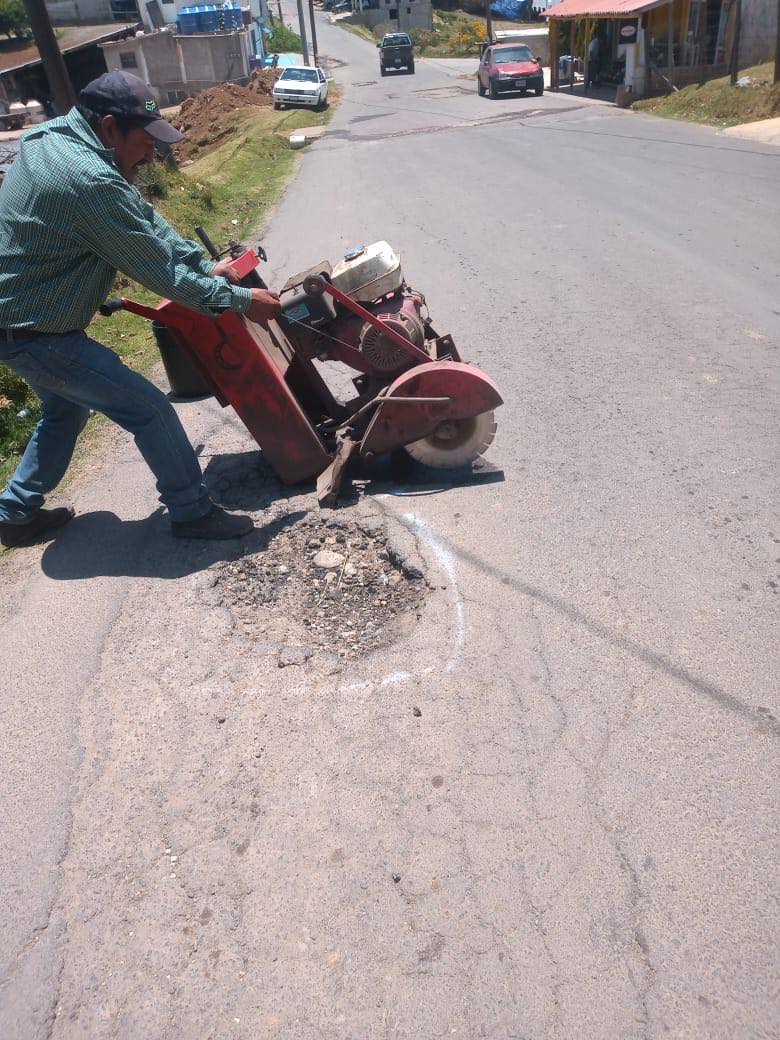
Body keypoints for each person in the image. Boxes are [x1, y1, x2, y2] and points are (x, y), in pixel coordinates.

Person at [0, 71, 281, 549]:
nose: (153, 154)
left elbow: (143, 217)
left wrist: (203, 262)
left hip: (20, 323)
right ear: (110, 127)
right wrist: (240, 302)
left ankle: (13, 514)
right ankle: (191, 512)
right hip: (34, 335)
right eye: (146, 141)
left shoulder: (51, 138)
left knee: (65, 414)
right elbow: (161, 275)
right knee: (151, 411)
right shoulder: (87, 181)